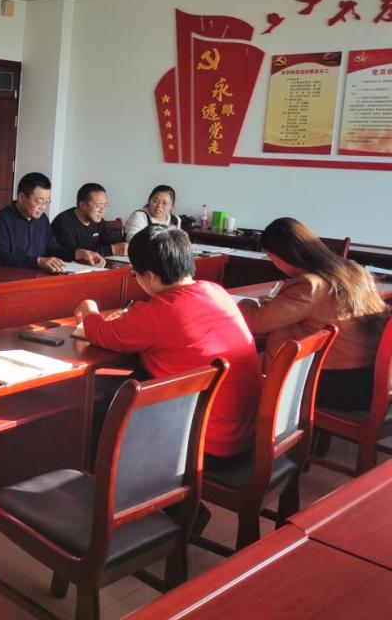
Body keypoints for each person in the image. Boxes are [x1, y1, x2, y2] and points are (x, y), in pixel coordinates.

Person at [74, 227, 262, 464]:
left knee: (102, 409)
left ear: (150, 276)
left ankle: (104, 479)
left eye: (135, 274)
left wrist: (89, 310)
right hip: (246, 434)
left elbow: (101, 334)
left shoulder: (162, 311)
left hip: (204, 444)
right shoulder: (215, 290)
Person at [239, 217, 388, 411]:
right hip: (372, 376)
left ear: (283, 255)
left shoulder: (310, 285)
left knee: (247, 366)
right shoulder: (353, 270)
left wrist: (246, 302)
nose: (274, 263)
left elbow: (257, 322)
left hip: (337, 385)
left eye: (271, 257)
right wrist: (278, 304)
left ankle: (262, 414)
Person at [0, 172, 105, 271]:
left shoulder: (42, 219)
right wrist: (38, 261)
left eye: (47, 202)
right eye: (39, 202)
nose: (43, 207)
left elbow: (52, 249)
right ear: (21, 197)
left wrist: (77, 253)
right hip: (7, 279)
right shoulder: (2, 219)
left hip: (36, 277)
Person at [51, 182, 127, 260]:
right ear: (82, 205)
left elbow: (112, 240)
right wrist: (111, 250)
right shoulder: (64, 222)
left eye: (105, 205)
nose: (102, 210)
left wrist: (123, 245)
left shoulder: (98, 221)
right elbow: (75, 254)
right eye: (98, 206)